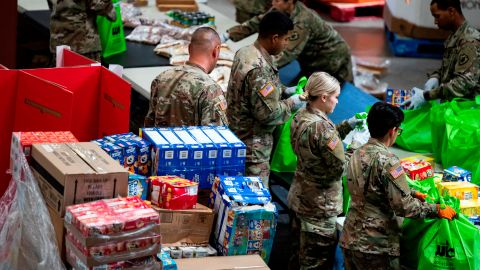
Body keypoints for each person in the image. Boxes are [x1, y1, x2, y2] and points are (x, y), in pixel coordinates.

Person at [340, 102, 457, 270]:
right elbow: (405, 207)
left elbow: (372, 186)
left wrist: (411, 191)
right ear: (392, 131)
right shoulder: (388, 161)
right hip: (376, 245)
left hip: (350, 236)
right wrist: (436, 209)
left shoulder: (356, 151)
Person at [287, 72, 362, 269]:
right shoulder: (323, 129)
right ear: (323, 97)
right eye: (335, 97)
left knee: (296, 256)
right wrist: (355, 145)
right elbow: (341, 168)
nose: (337, 102)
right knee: (316, 262)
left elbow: (319, 142)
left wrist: (346, 125)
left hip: (299, 197)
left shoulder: (301, 115)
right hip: (319, 206)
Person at [226, 11, 304, 186]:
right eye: (286, 39)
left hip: (237, 135)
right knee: (254, 201)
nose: (286, 44)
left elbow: (257, 92)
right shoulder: (259, 68)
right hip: (252, 147)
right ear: (275, 38)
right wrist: (293, 102)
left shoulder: (247, 52)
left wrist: (284, 91)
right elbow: (268, 114)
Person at [223, 0, 353, 84]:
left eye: (278, 1)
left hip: (330, 57)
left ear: (290, 2)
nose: (273, 3)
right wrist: (227, 35)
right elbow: (258, 22)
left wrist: (255, 68)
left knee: (323, 93)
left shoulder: (302, 21)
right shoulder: (279, 8)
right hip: (309, 57)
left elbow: (286, 53)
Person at [144, 27, 228, 127]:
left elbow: (149, 125)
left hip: (160, 142)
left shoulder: (162, 78)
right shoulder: (210, 90)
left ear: (189, 49)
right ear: (216, 51)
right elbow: (217, 137)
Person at [405, 0, 479, 109]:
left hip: (467, 112)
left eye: (437, 16)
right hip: (454, 108)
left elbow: (462, 84)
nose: (435, 21)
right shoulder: (455, 37)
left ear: (451, 11)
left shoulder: (469, 42)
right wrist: (436, 77)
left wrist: (427, 95)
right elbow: (450, 68)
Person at [48, 0, 116, 62]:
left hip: (58, 41)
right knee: (88, 74)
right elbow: (107, 10)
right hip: (83, 46)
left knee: (63, 74)